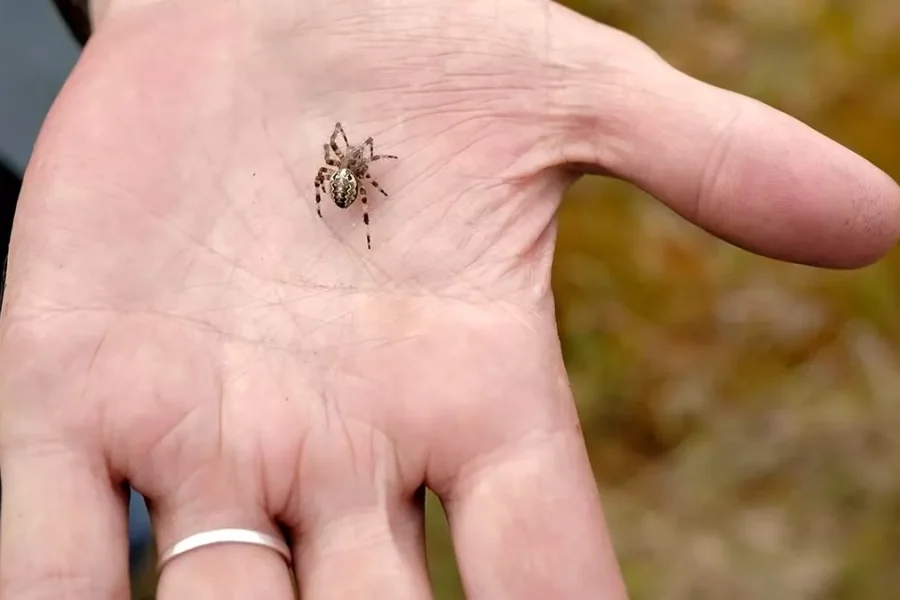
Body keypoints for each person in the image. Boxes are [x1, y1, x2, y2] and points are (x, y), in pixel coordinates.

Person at [1, 0, 898, 598]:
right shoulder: (347, 170)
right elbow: (345, 171)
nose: (349, 174)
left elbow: (345, 170)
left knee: (118, 478)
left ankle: (133, 532)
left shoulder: (345, 166)